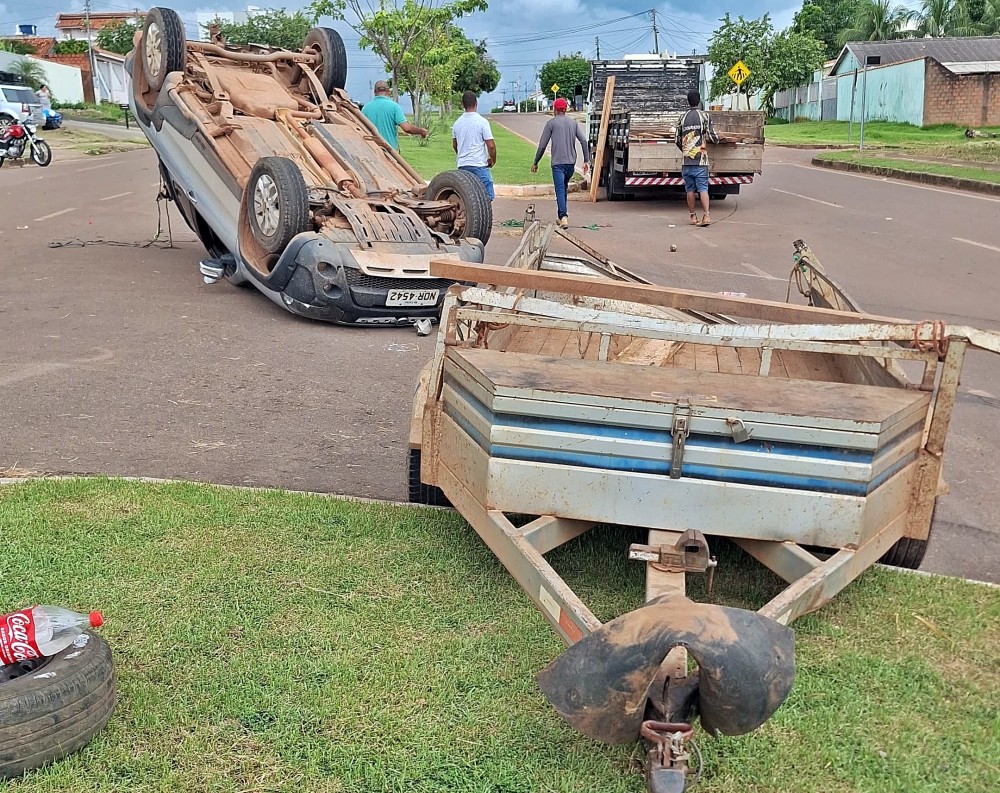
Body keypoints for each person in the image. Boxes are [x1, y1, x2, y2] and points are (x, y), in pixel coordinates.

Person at [675, 89, 733, 227]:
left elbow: (677, 139)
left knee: (690, 190)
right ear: (699, 101)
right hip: (701, 161)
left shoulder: (682, 118)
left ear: (687, 102)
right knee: (702, 189)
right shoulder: (704, 116)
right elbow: (713, 136)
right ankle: (706, 215)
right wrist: (720, 139)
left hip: (687, 161)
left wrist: (685, 150)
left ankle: (693, 216)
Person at [530, 97, 590, 228]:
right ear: (565, 109)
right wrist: (586, 160)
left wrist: (536, 162)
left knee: (560, 189)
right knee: (563, 188)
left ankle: (563, 216)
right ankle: (560, 216)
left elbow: (542, 145)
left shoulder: (551, 124)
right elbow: (583, 141)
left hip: (558, 164)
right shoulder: (573, 123)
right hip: (571, 163)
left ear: (555, 109)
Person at [452, 91, 496, 201]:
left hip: (462, 165)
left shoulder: (457, 124)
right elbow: (491, 146)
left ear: (462, 105)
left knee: (467, 199)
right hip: (478, 165)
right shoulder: (482, 122)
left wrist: (462, 154)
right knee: (487, 196)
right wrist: (492, 159)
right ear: (476, 103)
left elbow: (455, 145)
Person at [361, 80, 427, 150]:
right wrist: (421, 131)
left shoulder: (366, 108)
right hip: (389, 150)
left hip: (371, 150)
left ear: (374, 92)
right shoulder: (394, 107)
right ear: (388, 91)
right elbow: (407, 128)